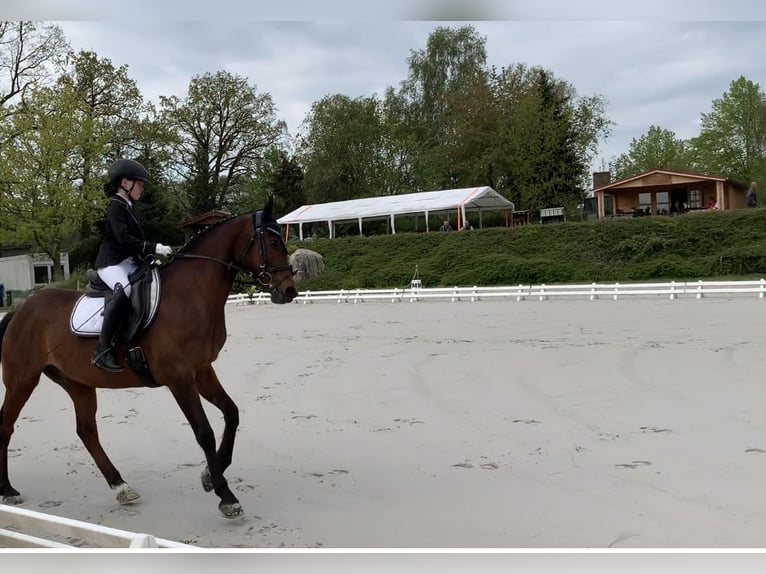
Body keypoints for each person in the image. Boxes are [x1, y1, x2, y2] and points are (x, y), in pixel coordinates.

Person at [91, 158, 173, 373]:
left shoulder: (129, 208)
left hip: (128, 262)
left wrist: (148, 258)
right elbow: (124, 239)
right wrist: (152, 247)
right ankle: (102, 350)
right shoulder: (115, 207)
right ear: (126, 183)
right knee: (124, 290)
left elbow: (134, 245)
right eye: (140, 184)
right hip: (111, 264)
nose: (142, 189)